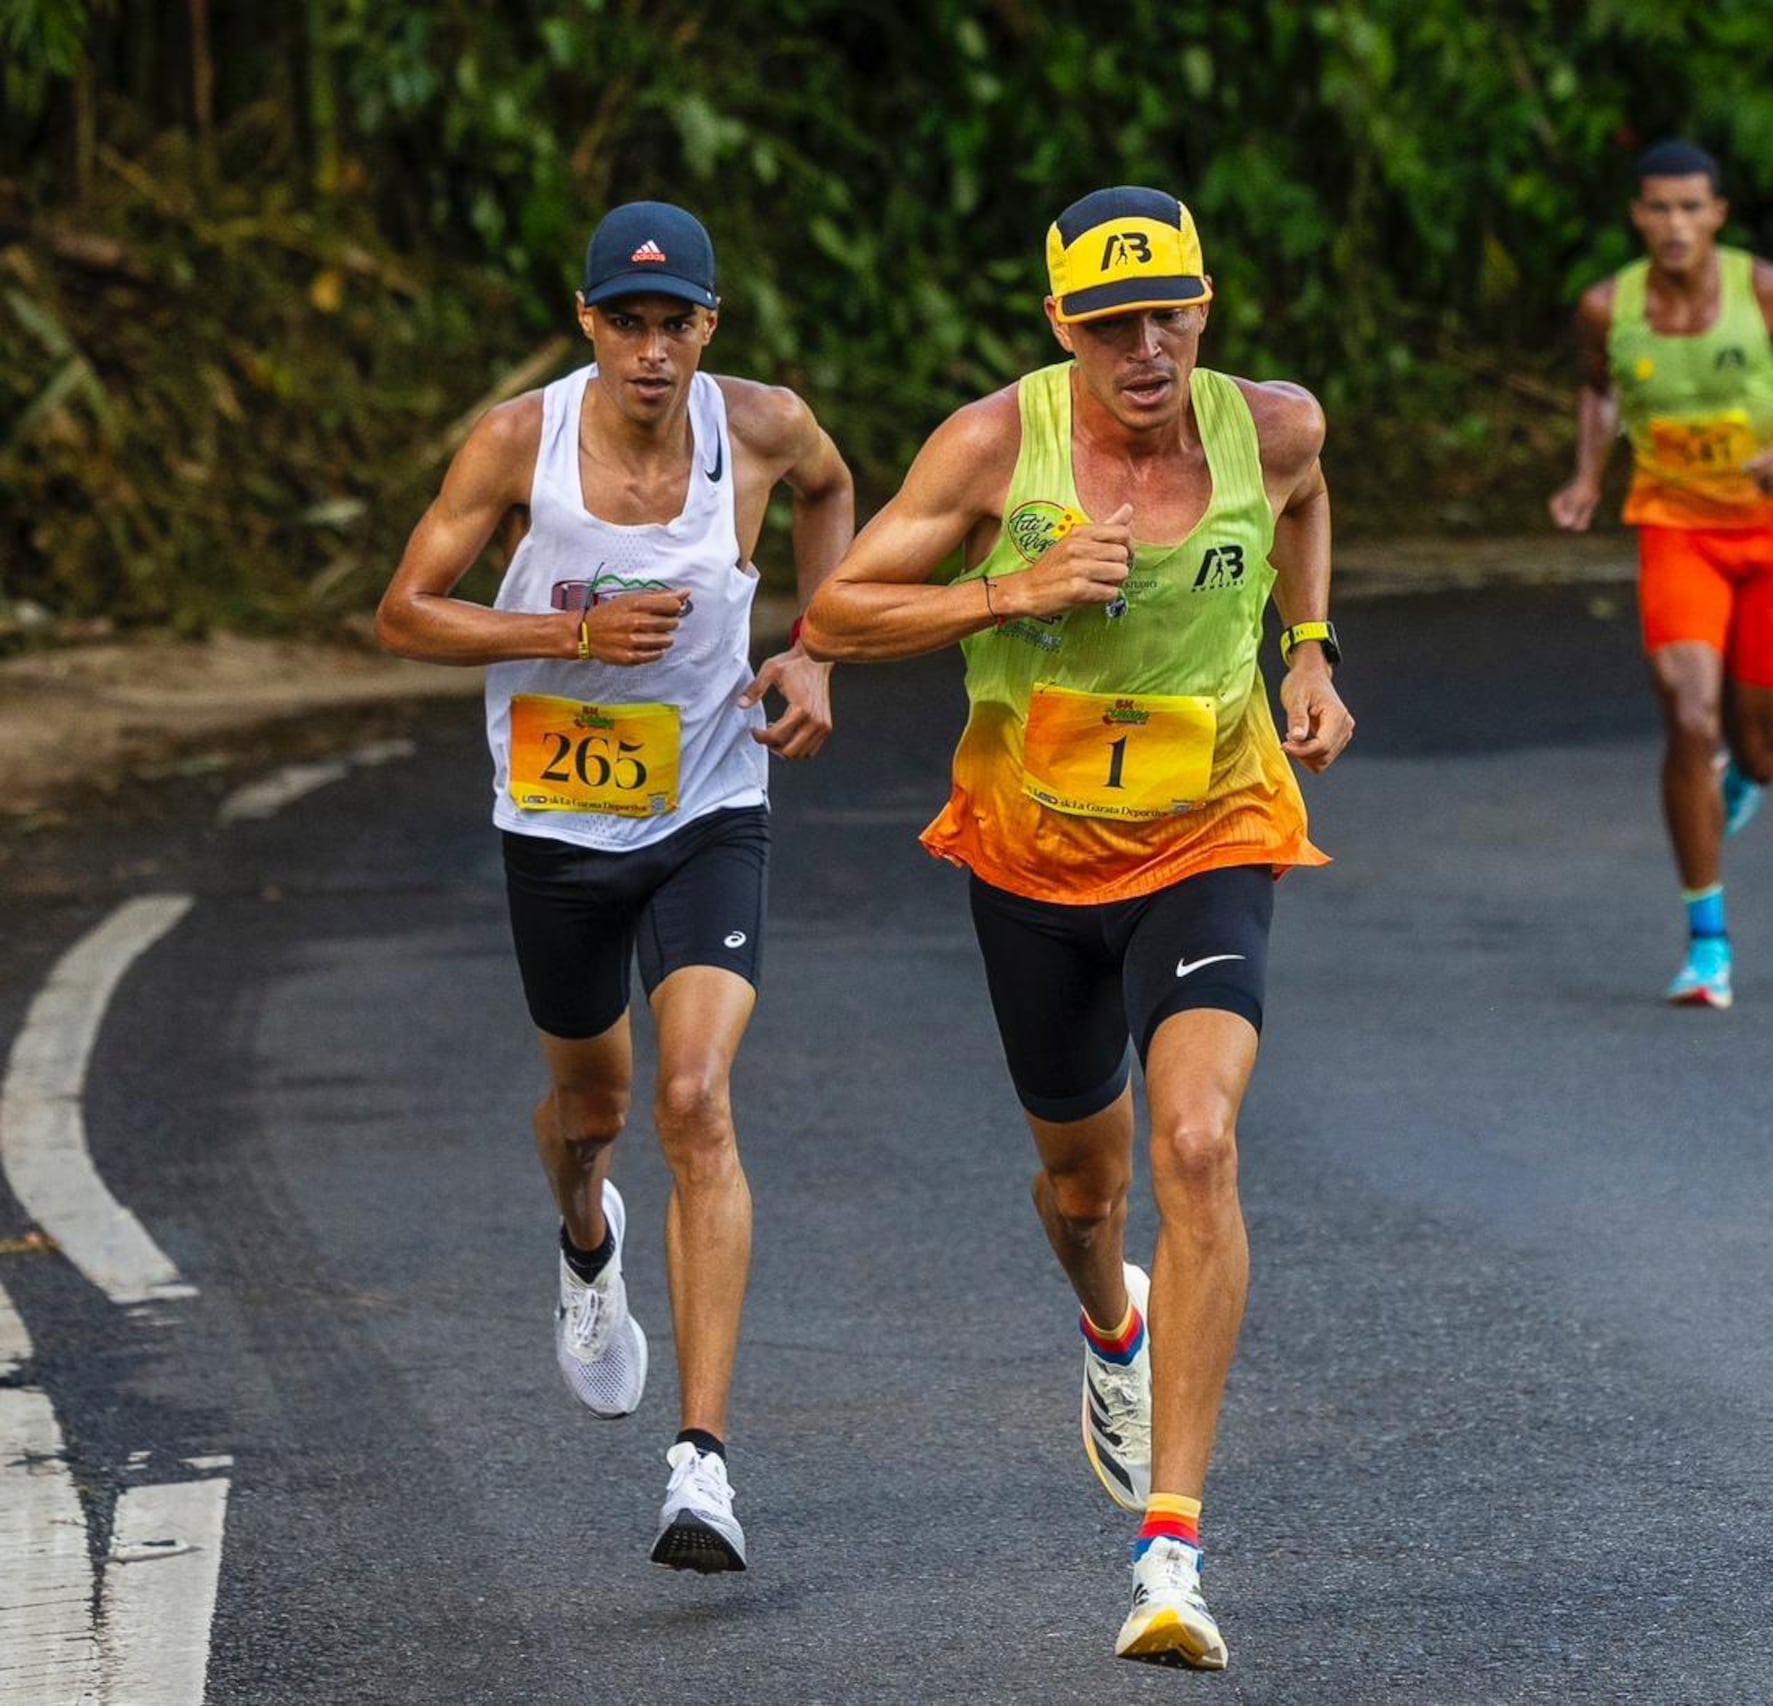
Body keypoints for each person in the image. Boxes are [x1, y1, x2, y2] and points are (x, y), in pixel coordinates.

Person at [801, 185, 1352, 1670]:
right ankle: (1112, 1327)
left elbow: (1304, 500)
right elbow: (838, 614)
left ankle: (1168, 1552)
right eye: (1111, 324)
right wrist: (1014, 587)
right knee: (1080, 1190)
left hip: (1212, 831)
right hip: (1034, 860)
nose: (1147, 345)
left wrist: (1307, 650)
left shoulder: (1273, 424)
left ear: (1205, 305)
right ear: (1063, 328)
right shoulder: (998, 443)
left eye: (1169, 311)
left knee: (1199, 1144)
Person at [375, 201, 853, 1572]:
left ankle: (700, 1463)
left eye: (677, 323)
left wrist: (814, 648)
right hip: (559, 822)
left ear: (711, 324)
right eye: (627, 321)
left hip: (710, 805)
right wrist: (564, 627)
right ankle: (587, 1239)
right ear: (586, 321)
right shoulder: (521, 441)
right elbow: (405, 610)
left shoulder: (759, 427)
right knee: (589, 1108)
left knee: (694, 1097)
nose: (653, 350)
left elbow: (834, 494)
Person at [1550, 139, 1773, 1007]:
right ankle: (1707, 946)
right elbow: (1600, 389)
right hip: (1676, 525)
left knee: (1761, 753)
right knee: (1690, 716)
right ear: (1637, 215)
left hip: (1771, 533)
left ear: (1718, 214)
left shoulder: (1766, 291)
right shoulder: (1605, 308)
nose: (1675, 224)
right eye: (1658, 207)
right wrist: (1588, 473)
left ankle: (1740, 782)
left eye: (1692, 207)